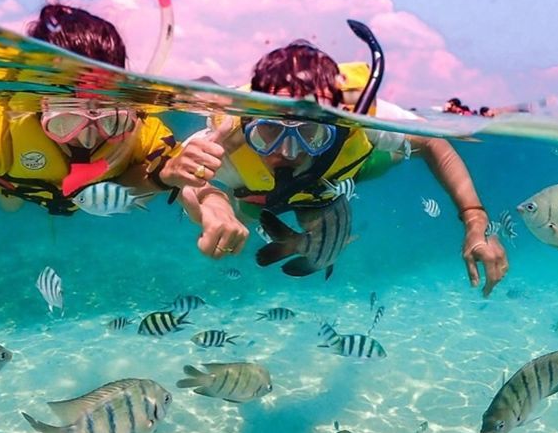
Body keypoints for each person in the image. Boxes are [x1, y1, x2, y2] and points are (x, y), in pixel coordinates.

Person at [173, 40, 509, 297]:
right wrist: (214, 204)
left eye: (310, 133)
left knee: (390, 157)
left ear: (336, 125)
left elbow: (434, 143)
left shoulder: (361, 121)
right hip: (258, 193)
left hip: (342, 173)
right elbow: (189, 182)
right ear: (249, 124)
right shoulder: (225, 140)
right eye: (270, 132)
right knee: (242, 215)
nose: (289, 152)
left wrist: (475, 221)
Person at [0, 4, 198, 266]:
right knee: (9, 205)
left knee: (150, 181)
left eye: (109, 121)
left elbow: (189, 178)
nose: (86, 139)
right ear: (39, 109)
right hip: (13, 187)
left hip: (93, 195)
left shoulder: (142, 131)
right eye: (66, 121)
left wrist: (204, 199)